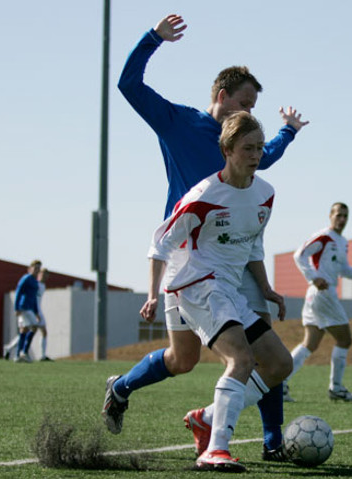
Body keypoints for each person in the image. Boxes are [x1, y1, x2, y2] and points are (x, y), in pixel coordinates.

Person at [111, 13, 308, 460]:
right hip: (190, 262)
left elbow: (267, 156)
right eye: (244, 104)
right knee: (182, 360)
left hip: (234, 260)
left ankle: (271, 442)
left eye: (253, 109)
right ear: (222, 96)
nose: (249, 114)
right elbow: (128, 85)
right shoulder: (178, 122)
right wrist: (152, 39)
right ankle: (121, 387)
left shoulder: (246, 152)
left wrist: (288, 132)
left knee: (265, 351)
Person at [116, 112, 289, 471]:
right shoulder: (204, 195)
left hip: (229, 290)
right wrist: (152, 294)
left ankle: (207, 418)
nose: (256, 155)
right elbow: (160, 243)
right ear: (227, 150)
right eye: (247, 148)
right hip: (196, 286)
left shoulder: (266, 194)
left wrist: (267, 288)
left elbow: (253, 245)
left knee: (279, 364)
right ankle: (215, 449)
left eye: (259, 148)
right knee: (240, 359)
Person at [283, 202, 352, 402]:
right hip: (323, 293)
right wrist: (313, 277)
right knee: (345, 339)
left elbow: (343, 269)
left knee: (310, 343)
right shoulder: (324, 236)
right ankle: (336, 388)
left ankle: (280, 383)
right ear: (330, 216)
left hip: (319, 295)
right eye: (339, 215)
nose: (342, 219)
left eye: (345, 216)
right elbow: (299, 255)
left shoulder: (342, 241)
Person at [12, 260, 42, 363]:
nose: (37, 270)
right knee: (34, 327)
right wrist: (16, 308)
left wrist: (36, 312)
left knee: (24, 330)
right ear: (30, 268)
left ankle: (18, 355)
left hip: (30, 308)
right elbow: (18, 292)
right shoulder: (26, 278)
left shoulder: (35, 281)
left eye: (38, 268)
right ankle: (24, 352)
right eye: (35, 268)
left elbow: (34, 298)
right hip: (24, 307)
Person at [34, 268, 53, 361]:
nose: (45, 276)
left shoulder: (43, 286)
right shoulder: (35, 284)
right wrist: (35, 313)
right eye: (43, 274)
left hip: (38, 310)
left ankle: (43, 355)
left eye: (46, 275)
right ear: (39, 274)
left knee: (43, 332)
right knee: (27, 333)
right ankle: (9, 348)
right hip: (34, 311)